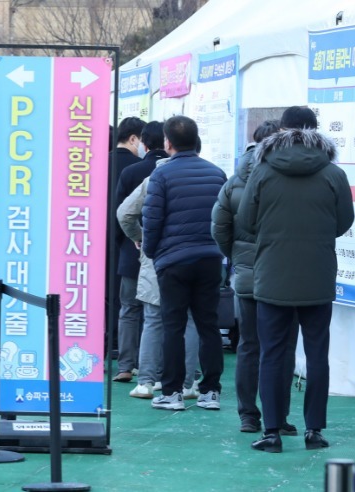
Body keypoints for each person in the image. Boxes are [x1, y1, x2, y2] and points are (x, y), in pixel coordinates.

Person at [238, 106, 354, 453]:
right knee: (317, 354)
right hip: (318, 274)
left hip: (272, 274)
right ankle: (314, 431)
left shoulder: (262, 170)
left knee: (271, 353)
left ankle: (272, 431)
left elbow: (246, 220)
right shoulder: (334, 173)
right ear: (316, 130)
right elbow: (344, 222)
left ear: (281, 130)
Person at [213, 119, 298, 436]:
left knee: (249, 346)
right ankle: (280, 416)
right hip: (286, 276)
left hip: (248, 276)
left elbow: (219, 228)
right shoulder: (291, 179)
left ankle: (248, 415)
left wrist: (238, 258)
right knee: (283, 347)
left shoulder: (235, 182)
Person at [142, 115, 226, 412]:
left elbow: (152, 219)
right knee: (208, 325)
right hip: (210, 258)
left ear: (168, 142)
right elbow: (226, 218)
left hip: (173, 261)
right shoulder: (217, 173)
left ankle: (172, 392)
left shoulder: (162, 175)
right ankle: (211, 392)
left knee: (173, 326)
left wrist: (152, 252)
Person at [117, 143, 201, 401]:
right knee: (189, 320)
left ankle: (145, 382)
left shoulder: (154, 177)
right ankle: (187, 384)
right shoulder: (210, 174)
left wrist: (139, 238)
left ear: (168, 145)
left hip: (158, 256)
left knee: (153, 319)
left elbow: (124, 213)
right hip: (196, 256)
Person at [110, 116, 147, 382]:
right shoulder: (144, 169)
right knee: (153, 312)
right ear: (134, 138)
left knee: (127, 308)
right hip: (146, 248)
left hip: (119, 246)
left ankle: (124, 364)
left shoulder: (97, 163)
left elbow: (120, 213)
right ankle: (149, 366)